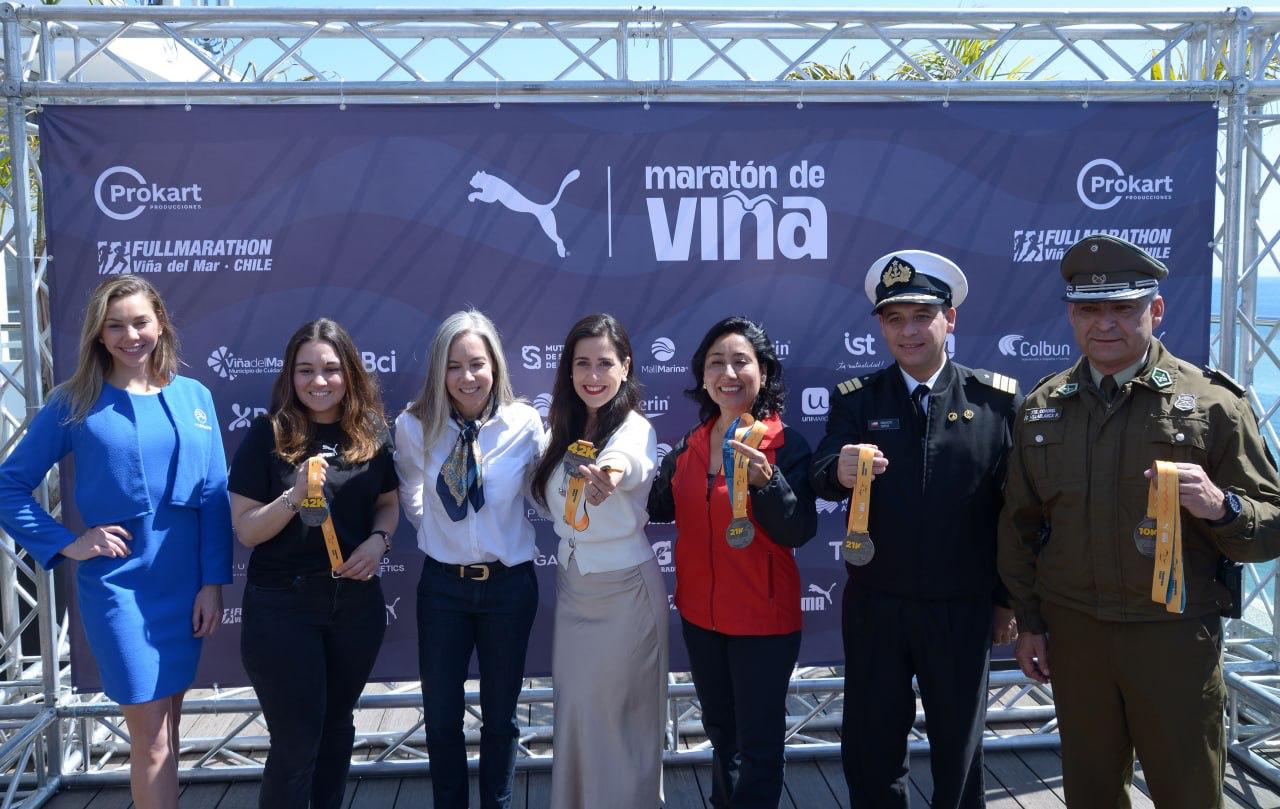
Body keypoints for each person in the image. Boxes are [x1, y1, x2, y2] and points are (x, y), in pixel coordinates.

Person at [998, 234, 1280, 809]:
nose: (1106, 325)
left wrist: (1221, 507)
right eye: (1090, 310)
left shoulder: (1213, 405)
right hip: (1077, 635)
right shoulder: (1042, 407)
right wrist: (1029, 621)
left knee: (1188, 791)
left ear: (1155, 310)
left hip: (1172, 636)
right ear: (1072, 316)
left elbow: (1272, 523)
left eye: (1123, 308)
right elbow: (1019, 526)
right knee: (1092, 792)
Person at [0, 275, 231, 809]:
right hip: (120, 589)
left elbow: (215, 497)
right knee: (150, 741)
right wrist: (68, 543)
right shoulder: (73, 402)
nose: (131, 335)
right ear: (99, 336)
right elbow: (9, 486)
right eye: (116, 326)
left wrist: (213, 583)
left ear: (161, 325)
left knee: (168, 735)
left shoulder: (195, 396)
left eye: (141, 322)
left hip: (185, 587)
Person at [809, 250, 1021, 809]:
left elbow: (1016, 513)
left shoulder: (997, 402)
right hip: (877, 603)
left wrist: (1005, 601)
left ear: (950, 320)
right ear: (880, 326)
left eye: (921, 316)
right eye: (894, 318)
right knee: (871, 743)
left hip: (962, 605)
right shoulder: (857, 399)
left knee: (960, 747)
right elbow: (821, 472)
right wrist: (838, 468)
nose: (908, 331)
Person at [228, 318, 399, 809]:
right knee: (297, 740)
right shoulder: (267, 434)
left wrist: (378, 542)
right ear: (290, 375)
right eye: (306, 370)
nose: (318, 381)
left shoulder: (371, 433)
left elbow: (388, 503)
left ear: (350, 374)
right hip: (283, 606)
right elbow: (246, 528)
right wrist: (293, 495)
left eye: (330, 369)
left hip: (355, 605)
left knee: (337, 727)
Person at [648, 315, 816, 809]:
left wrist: (770, 483)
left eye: (741, 361)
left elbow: (799, 530)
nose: (729, 372)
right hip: (701, 618)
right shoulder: (689, 445)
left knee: (758, 745)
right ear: (702, 376)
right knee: (722, 735)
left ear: (762, 372)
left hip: (763, 620)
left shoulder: (786, 445)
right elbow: (658, 507)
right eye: (716, 362)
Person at [394, 310, 544, 809]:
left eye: (477, 364)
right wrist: (432, 527)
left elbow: (542, 497)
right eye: (454, 366)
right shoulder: (415, 426)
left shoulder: (523, 423)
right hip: (443, 591)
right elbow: (411, 488)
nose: (467, 377)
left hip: (508, 587)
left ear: (495, 367)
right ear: (440, 370)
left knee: (502, 717)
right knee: (441, 718)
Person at [529, 313, 667, 809]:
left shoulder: (635, 428)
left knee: (619, 723)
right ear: (568, 370)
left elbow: (628, 461)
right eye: (582, 363)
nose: (593, 375)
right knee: (577, 716)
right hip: (573, 590)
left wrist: (608, 473)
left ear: (625, 367)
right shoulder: (558, 430)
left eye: (605, 364)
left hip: (624, 594)